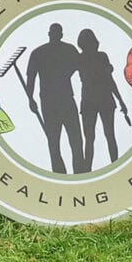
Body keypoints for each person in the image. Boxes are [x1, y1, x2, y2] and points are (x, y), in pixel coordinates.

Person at [25, 23, 87, 174]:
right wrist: (30, 99)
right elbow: (31, 79)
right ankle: (60, 176)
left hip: (63, 99)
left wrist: (31, 98)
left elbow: (83, 68)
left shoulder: (66, 50)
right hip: (50, 101)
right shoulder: (40, 53)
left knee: (74, 140)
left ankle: (80, 174)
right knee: (55, 141)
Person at [76, 28, 128, 171]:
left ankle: (113, 166)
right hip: (94, 100)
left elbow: (110, 80)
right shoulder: (83, 59)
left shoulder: (97, 57)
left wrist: (121, 100)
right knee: (96, 137)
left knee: (103, 136)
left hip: (99, 100)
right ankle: (89, 170)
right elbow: (109, 79)